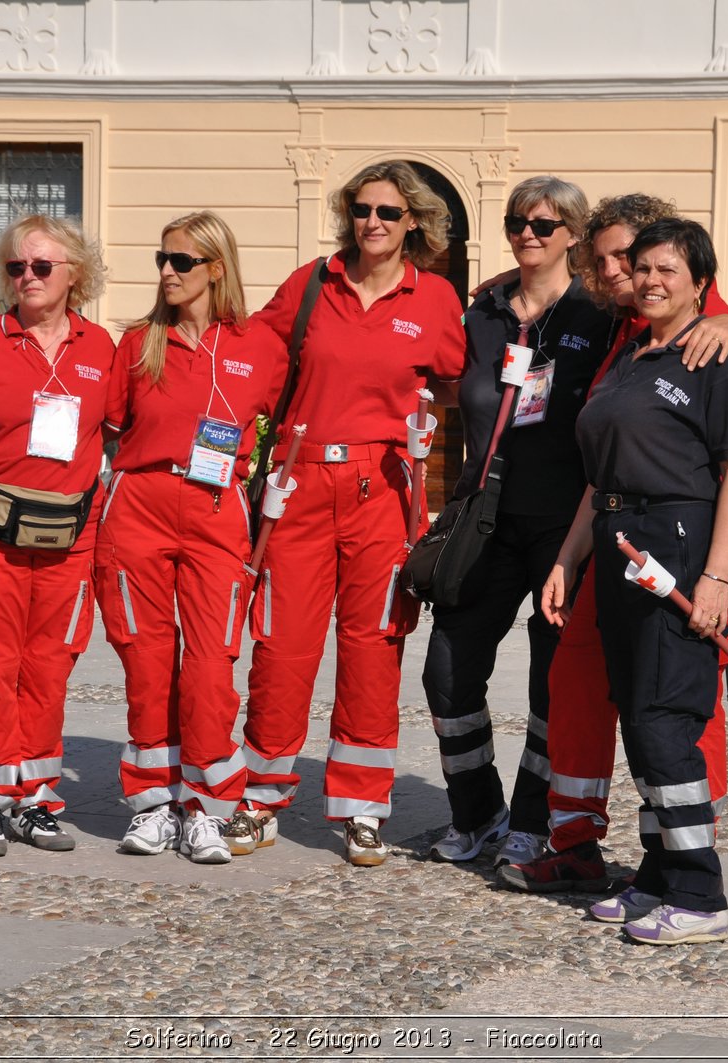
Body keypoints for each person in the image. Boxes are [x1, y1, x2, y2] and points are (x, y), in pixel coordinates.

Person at [498, 194, 728, 896]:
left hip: (696, 529)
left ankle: (684, 857)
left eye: (634, 258)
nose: (622, 272)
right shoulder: (629, 332)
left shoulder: (705, 321)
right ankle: (582, 839)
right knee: (585, 677)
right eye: (609, 261)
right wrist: (572, 552)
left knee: (677, 695)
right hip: (619, 532)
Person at [237, 160, 466, 866]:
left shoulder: (434, 301)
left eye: (389, 213)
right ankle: (260, 795)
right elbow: (251, 360)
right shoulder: (311, 284)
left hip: (382, 488)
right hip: (299, 481)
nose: (373, 222)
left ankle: (362, 807)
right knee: (282, 643)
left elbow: (459, 389)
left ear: (415, 224)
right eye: (363, 209)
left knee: (374, 646)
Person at [420, 176, 615, 868]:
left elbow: (677, 296)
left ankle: (535, 817)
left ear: (573, 235)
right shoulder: (483, 314)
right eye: (516, 222)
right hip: (484, 516)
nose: (527, 234)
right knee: (446, 669)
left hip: (566, 524)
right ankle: (477, 812)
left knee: (553, 679)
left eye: (543, 223)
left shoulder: (600, 316)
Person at [96, 211, 287, 864]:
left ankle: (206, 804)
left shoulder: (259, 347)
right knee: (148, 665)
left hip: (216, 513)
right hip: (139, 509)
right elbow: (108, 428)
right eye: (162, 260)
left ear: (216, 268)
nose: (167, 272)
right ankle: (153, 805)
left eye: (181, 261)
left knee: (209, 669)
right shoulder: (137, 344)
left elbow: (286, 428)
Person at [0, 214, 115, 857]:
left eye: (41, 267)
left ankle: (33, 798)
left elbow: (121, 438)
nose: (26, 277)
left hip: (71, 540)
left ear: (75, 275)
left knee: (50, 670)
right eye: (15, 267)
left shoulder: (102, 350)